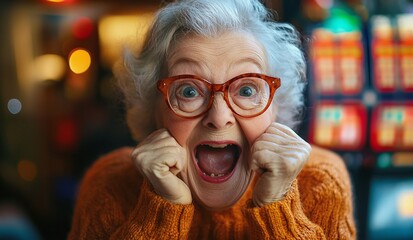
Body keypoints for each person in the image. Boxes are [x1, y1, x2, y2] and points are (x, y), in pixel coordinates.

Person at [68, 0, 356, 239]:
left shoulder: (319, 183)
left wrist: (277, 207)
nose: (219, 118)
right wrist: (159, 214)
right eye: (189, 90)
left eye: (246, 89)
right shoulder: (110, 186)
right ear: (152, 109)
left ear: (276, 108)